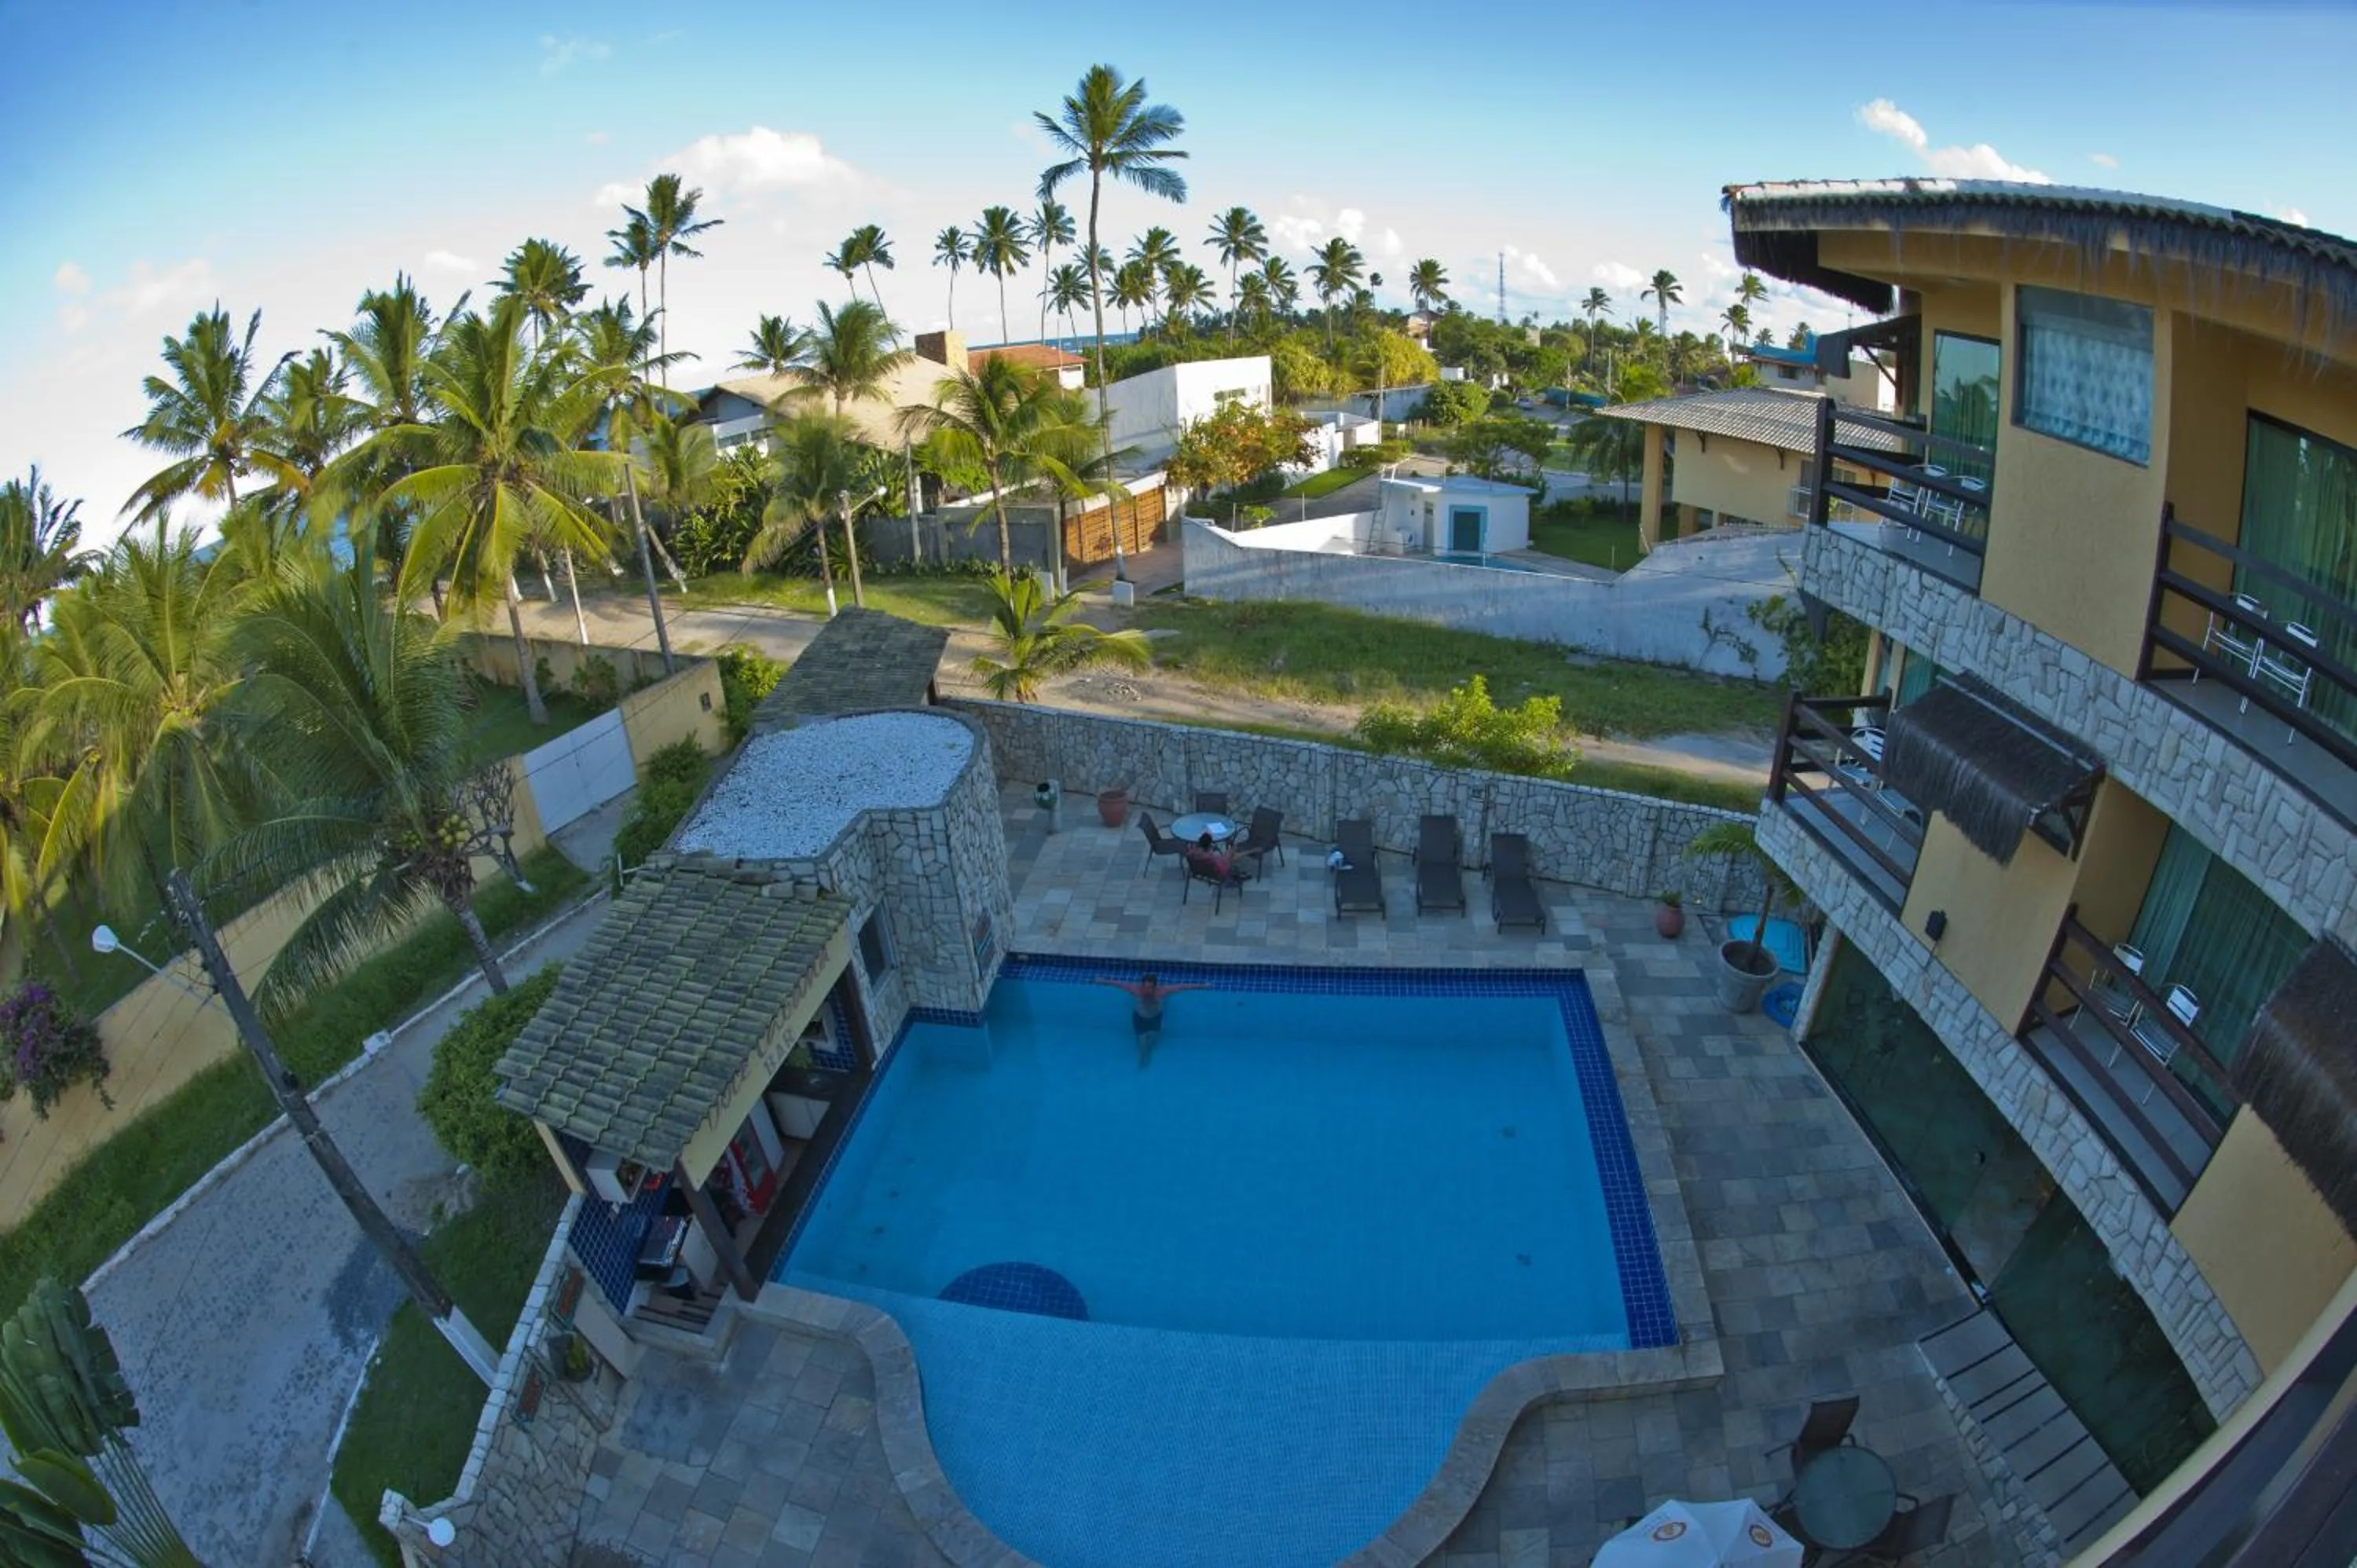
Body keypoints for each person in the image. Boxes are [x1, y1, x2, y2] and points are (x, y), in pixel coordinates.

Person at [1092, 972, 1209, 1067]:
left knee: (1154, 1037)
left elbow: (1182, 987)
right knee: (1142, 1042)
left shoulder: (1162, 991)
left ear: (1155, 987)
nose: (1146, 990)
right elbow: (1118, 984)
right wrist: (1102, 980)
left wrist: (1203, 986)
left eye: (1149, 987)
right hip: (1140, 1019)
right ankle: (1143, 1059)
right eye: (1145, 986)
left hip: (1155, 1019)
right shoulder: (1136, 990)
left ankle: (1147, 1053)